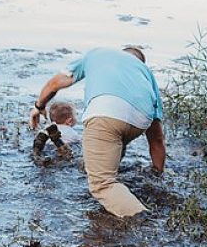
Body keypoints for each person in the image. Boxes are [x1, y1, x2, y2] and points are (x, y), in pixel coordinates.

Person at [29, 47, 166, 217]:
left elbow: (54, 84)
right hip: (140, 120)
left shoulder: (98, 53)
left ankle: (145, 221)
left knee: (102, 185)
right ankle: (113, 183)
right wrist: (157, 174)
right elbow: (156, 139)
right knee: (114, 143)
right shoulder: (147, 75)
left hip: (105, 112)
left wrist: (38, 107)